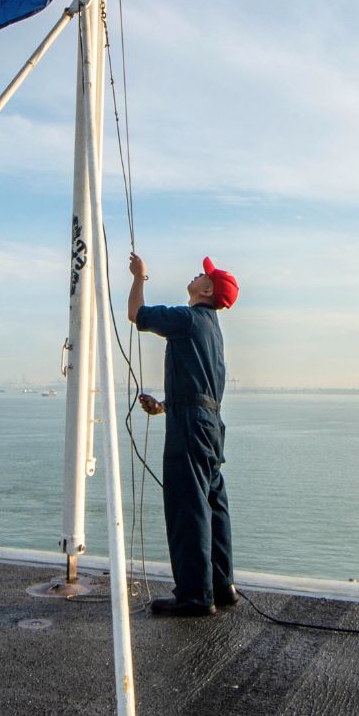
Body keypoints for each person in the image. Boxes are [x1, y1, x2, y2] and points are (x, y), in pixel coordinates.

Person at [128, 252, 240, 616]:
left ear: (207, 289)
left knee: (187, 506)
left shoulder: (188, 318)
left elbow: (137, 316)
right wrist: (164, 406)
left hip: (191, 425)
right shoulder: (212, 330)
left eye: (202, 275)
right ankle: (222, 586)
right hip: (208, 423)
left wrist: (139, 278)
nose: (196, 274)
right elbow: (201, 386)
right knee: (212, 503)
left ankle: (195, 595)